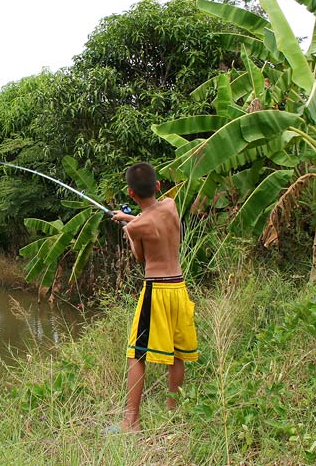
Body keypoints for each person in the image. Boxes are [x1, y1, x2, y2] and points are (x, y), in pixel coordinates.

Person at [110, 162, 198, 432]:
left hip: (156, 290)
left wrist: (127, 228)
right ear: (158, 186)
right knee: (177, 353)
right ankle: (173, 413)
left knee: (136, 354)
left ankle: (130, 421)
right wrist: (129, 219)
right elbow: (154, 218)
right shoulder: (171, 205)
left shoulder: (136, 228)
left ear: (130, 193)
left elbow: (140, 257)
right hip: (178, 287)